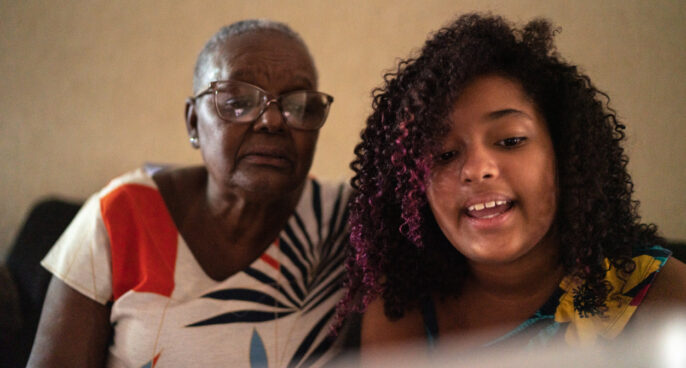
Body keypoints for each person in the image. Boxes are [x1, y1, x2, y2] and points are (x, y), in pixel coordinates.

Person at [335, 13, 686, 362]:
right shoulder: (402, 308)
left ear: (562, 153)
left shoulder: (661, 296)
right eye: (444, 154)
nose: (476, 169)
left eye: (510, 140)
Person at [29, 19, 350, 367]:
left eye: (300, 106)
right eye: (238, 101)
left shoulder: (351, 222)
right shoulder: (118, 214)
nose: (272, 121)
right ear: (193, 122)